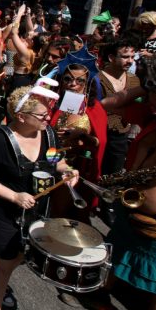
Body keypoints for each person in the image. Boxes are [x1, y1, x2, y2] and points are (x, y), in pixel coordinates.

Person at [0, 84, 79, 310]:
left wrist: (67, 171)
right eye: (42, 115)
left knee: (16, 258)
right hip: (1, 213)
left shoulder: (49, 133)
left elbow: (57, 161)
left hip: (34, 213)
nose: (48, 118)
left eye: (47, 114)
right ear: (21, 116)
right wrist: (14, 196)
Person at [100, 55, 156, 310]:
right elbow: (110, 104)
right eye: (152, 103)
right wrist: (145, 88)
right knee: (114, 251)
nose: (155, 110)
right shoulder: (153, 113)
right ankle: (98, 293)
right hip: (130, 204)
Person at [49, 62, 107, 222]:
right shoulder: (62, 101)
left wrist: (82, 136)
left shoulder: (94, 108)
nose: (73, 84)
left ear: (87, 83)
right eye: (68, 79)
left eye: (80, 80)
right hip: (52, 160)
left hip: (75, 167)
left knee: (60, 212)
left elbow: (98, 142)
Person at [100, 40, 140, 177]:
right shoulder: (95, 78)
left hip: (120, 137)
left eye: (132, 57)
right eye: (125, 57)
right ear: (111, 58)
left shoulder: (134, 80)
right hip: (97, 135)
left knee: (112, 179)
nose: (130, 61)